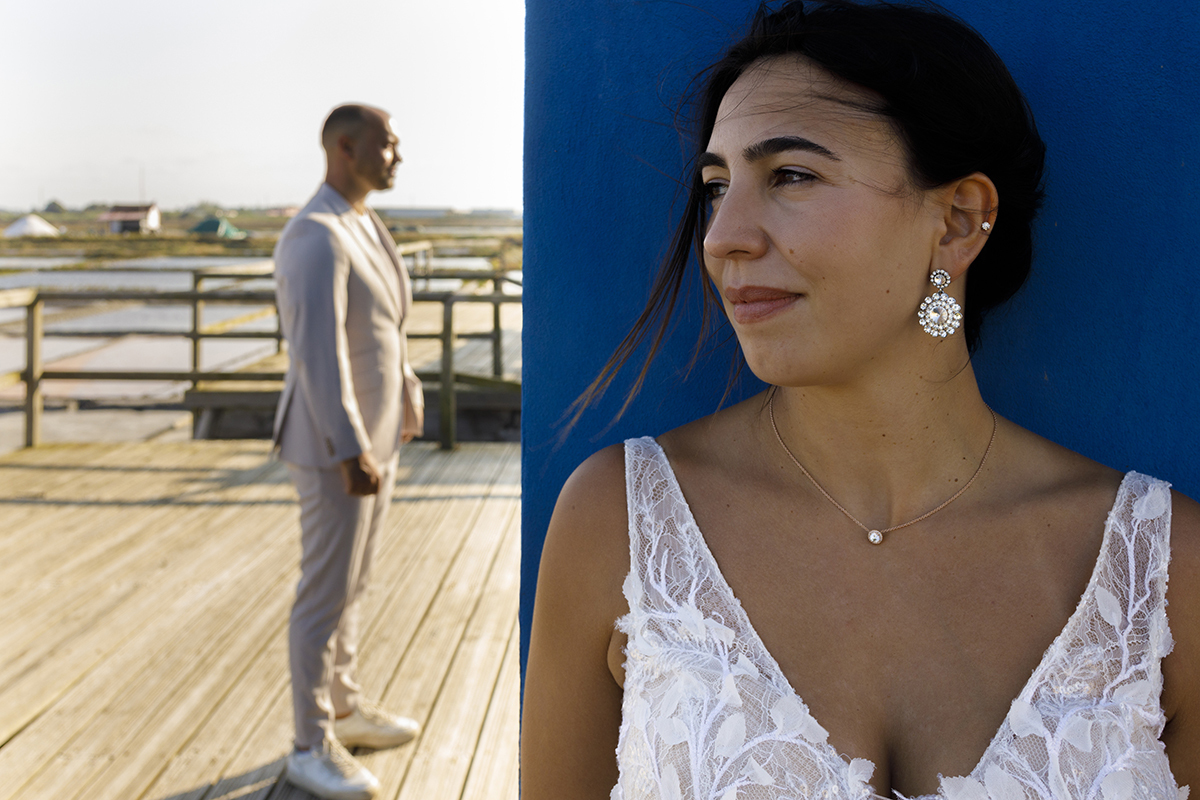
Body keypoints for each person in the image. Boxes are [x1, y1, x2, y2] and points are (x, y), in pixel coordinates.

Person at [520, 2, 1200, 798]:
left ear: (959, 221)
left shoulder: (1166, 572)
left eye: (792, 175)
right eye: (716, 187)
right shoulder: (622, 527)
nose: (723, 236)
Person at [272, 103, 425, 800]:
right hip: (338, 448)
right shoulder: (315, 234)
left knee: (354, 584)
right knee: (323, 594)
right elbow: (318, 354)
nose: (398, 156)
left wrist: (406, 392)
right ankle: (309, 745)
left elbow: (384, 325)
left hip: (376, 439)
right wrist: (350, 448)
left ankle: (344, 707)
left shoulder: (361, 221)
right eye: (387, 144)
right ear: (344, 147)